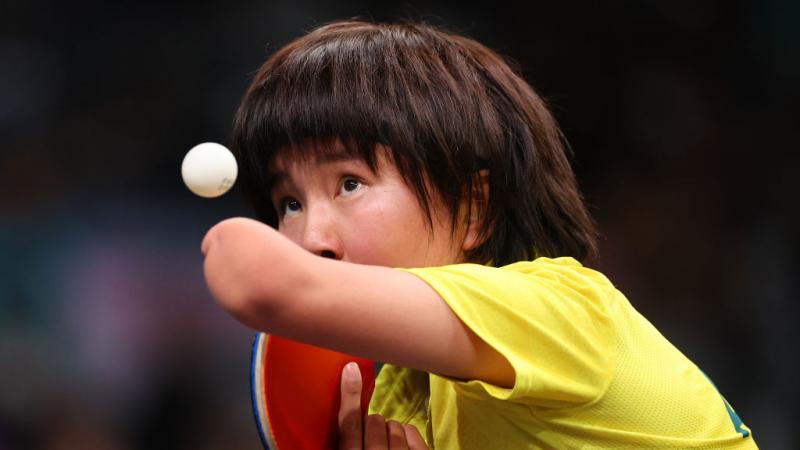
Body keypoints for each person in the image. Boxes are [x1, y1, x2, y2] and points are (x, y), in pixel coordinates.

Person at [201, 20, 758, 449]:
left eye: (350, 183)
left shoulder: (557, 311)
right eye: (289, 203)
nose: (309, 238)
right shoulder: (397, 401)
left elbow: (255, 276)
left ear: (475, 210)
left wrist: (231, 243)